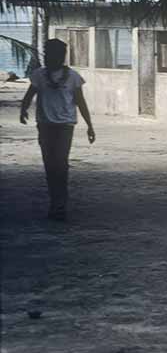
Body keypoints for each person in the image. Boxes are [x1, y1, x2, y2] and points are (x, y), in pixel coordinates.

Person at [19, 38, 96, 221]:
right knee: (50, 166)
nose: (48, 58)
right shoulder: (38, 75)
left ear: (60, 56)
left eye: (52, 55)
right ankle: (56, 202)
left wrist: (89, 126)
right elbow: (30, 94)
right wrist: (23, 109)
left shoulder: (73, 77)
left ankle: (59, 205)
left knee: (60, 165)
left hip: (65, 126)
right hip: (45, 126)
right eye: (46, 54)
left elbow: (80, 102)